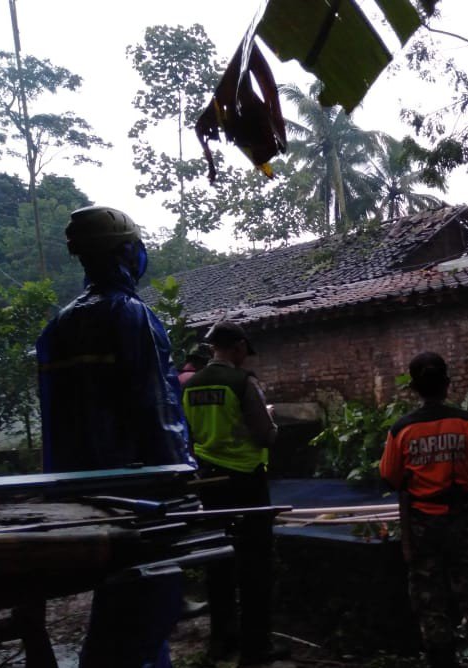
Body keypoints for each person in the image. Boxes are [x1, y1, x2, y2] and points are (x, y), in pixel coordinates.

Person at [36, 205, 195, 667]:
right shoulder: (132, 316)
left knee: (119, 608)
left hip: (81, 496)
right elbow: (159, 408)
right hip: (141, 495)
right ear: (127, 252)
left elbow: (58, 420)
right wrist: (181, 478)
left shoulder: (59, 326)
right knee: (147, 609)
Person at [379, 352, 468, 668]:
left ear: (414, 388)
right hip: (463, 523)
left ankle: (442, 661)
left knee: (430, 601)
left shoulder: (401, 431)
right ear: (448, 385)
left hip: (422, 527)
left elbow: (390, 476)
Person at [181, 321, 283, 666]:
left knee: (218, 564)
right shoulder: (243, 382)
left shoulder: (190, 385)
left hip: (210, 485)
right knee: (255, 567)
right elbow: (264, 435)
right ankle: (256, 650)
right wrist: (272, 421)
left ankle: (221, 642)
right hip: (246, 482)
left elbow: (190, 435)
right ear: (238, 347)